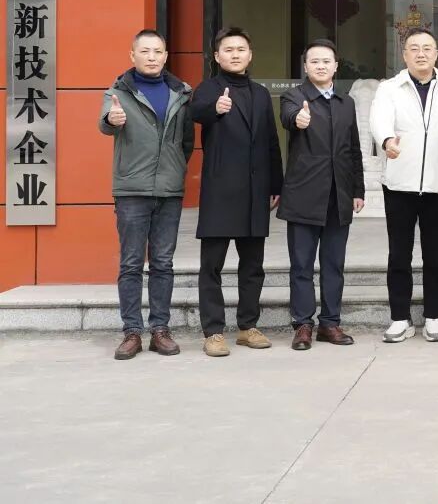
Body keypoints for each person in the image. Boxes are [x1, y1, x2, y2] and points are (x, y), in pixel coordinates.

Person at [99, 29, 195, 360]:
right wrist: (112, 119)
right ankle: (131, 332)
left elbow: (186, 142)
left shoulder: (181, 92)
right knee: (131, 262)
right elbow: (105, 123)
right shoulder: (118, 92)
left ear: (166, 56)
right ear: (133, 55)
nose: (151, 57)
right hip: (131, 190)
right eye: (145, 51)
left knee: (163, 263)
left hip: (169, 190)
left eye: (157, 51)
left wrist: (175, 169)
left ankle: (160, 330)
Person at [190, 27, 283, 357]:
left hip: (255, 191)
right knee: (212, 265)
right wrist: (215, 109)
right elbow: (195, 113)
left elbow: (271, 140)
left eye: (241, 49)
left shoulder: (260, 93)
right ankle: (213, 331)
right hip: (221, 190)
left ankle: (247, 326)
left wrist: (276, 184)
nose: (235, 54)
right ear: (217, 56)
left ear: (250, 54)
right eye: (228, 50)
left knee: (253, 265)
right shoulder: (209, 89)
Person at [370, 28, 438, 343]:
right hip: (399, 185)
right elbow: (379, 120)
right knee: (399, 255)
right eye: (414, 48)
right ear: (404, 54)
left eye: (427, 48)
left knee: (435, 256)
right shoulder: (389, 88)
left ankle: (433, 316)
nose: (421, 54)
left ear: (436, 54)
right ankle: (399, 318)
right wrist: (386, 140)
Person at [278, 39, 365, 351]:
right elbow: (289, 116)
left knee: (333, 264)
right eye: (314, 61)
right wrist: (298, 119)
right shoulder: (294, 96)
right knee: (301, 264)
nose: (321, 66)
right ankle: (303, 324)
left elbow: (353, 149)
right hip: (304, 194)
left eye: (326, 61)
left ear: (336, 65)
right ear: (306, 66)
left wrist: (357, 189)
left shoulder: (346, 103)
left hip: (338, 195)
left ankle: (330, 323)